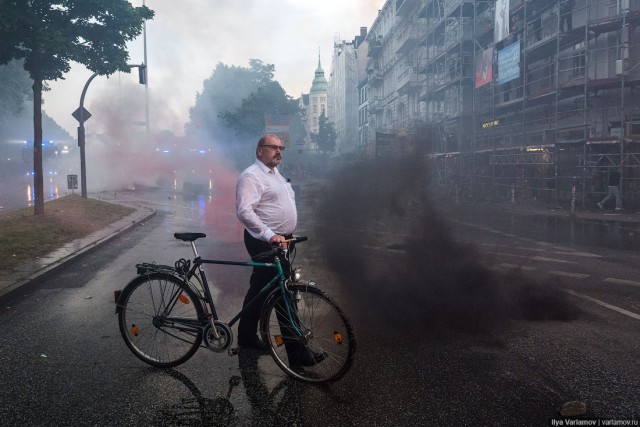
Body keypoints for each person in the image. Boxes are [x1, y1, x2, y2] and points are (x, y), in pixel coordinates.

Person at [235, 134, 326, 366]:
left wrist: (286, 233)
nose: (278, 151)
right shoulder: (251, 176)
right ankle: (297, 353)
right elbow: (245, 212)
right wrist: (271, 235)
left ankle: (245, 336)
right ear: (259, 151)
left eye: (280, 148)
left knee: (260, 289)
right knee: (283, 292)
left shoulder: (276, 176)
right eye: (272, 147)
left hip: (281, 240)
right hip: (263, 240)